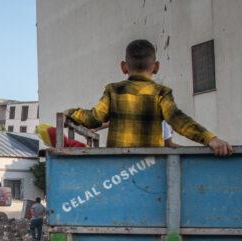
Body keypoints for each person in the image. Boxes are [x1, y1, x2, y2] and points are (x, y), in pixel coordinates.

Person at [64, 39, 232, 156]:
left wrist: (72, 112)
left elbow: (94, 118)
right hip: (151, 168)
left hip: (116, 169)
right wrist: (211, 139)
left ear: (124, 67)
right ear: (156, 67)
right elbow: (178, 120)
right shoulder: (161, 93)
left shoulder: (113, 91)